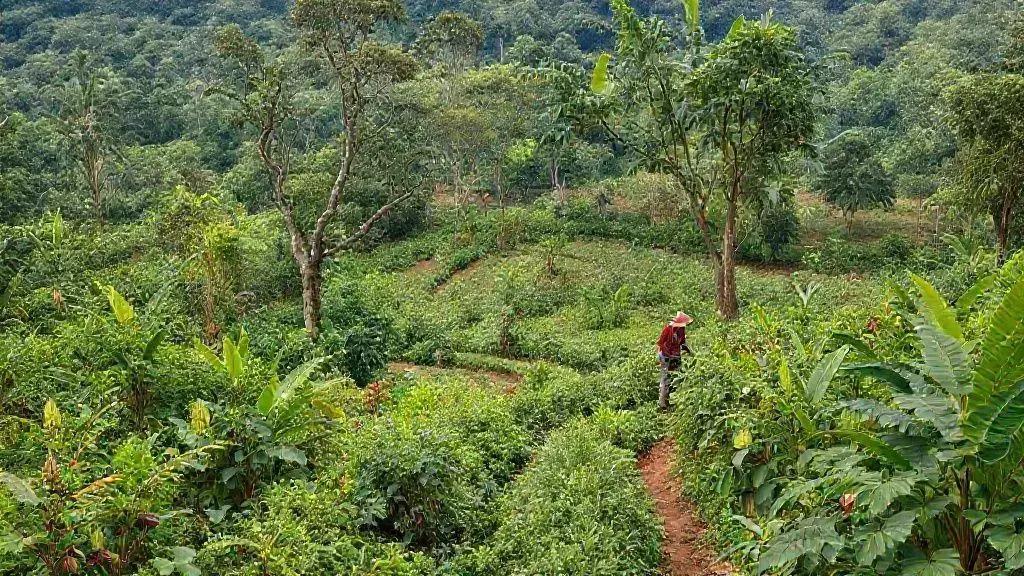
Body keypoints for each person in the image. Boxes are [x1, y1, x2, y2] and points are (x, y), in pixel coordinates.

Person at [656, 311, 692, 410]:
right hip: (665, 356)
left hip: (675, 356)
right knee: (665, 379)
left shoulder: (681, 330)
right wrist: (668, 355)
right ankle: (663, 404)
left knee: (678, 377)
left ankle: (674, 401)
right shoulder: (668, 329)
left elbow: (683, 343)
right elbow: (660, 343)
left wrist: (691, 352)